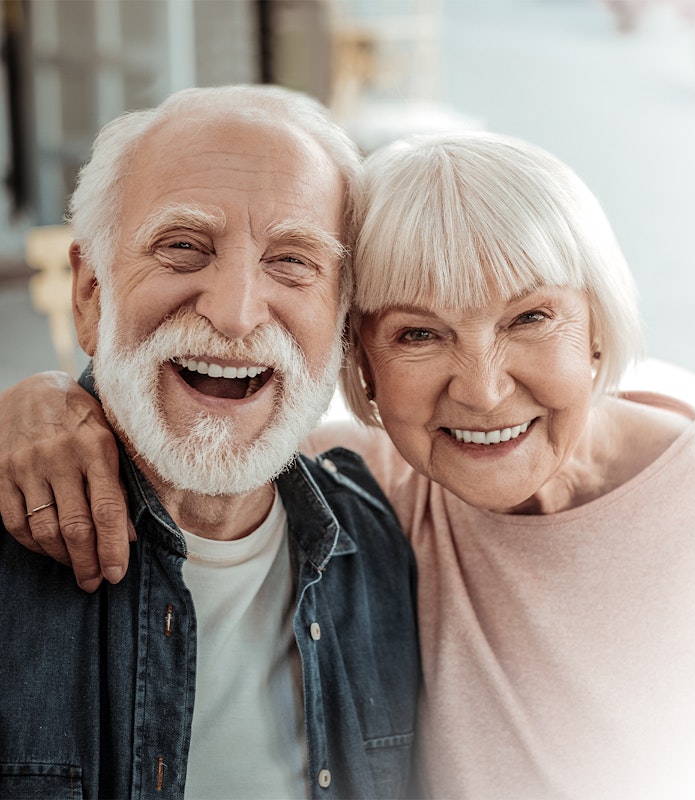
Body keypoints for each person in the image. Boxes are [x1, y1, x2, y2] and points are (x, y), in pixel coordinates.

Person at [2, 131, 695, 799]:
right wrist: (40, 402)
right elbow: (197, 432)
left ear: (597, 328)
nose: (482, 390)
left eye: (530, 317)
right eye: (419, 334)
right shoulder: (368, 490)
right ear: (361, 366)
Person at [0, 85, 420, 800]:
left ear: (343, 319)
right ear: (91, 294)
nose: (235, 313)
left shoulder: (385, 542)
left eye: (292, 260)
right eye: (183, 247)